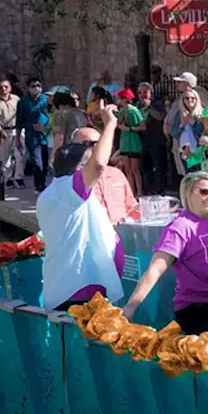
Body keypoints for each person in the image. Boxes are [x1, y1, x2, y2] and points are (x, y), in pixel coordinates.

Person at [36, 106, 124, 311]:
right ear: (79, 169)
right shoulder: (71, 189)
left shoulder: (50, 193)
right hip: (79, 290)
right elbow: (100, 164)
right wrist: (110, 124)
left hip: (68, 288)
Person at [121, 172, 208, 333]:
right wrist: (131, 306)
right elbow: (155, 269)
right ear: (188, 193)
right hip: (199, 305)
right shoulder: (181, 227)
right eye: (204, 192)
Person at [115, 89, 146, 197]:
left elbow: (143, 126)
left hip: (133, 143)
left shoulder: (134, 111)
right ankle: (132, 193)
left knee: (135, 170)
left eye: (119, 97)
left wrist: (129, 128)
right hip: (124, 143)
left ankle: (140, 193)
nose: (117, 99)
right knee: (127, 170)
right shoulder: (122, 111)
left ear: (124, 99)